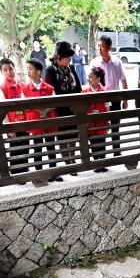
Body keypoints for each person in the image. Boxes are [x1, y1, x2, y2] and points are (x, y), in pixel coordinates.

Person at [44, 41, 82, 173]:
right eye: (67, 57)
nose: (70, 59)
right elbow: (50, 90)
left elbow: (78, 87)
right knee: (62, 136)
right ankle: (67, 163)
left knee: (73, 134)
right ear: (59, 58)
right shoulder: (50, 70)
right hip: (59, 109)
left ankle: (73, 159)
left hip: (73, 108)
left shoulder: (71, 68)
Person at [89, 35, 128, 158]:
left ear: (109, 47)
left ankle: (116, 150)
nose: (99, 49)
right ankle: (101, 154)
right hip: (100, 100)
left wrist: (125, 99)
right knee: (100, 126)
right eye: (98, 46)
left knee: (115, 125)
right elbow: (90, 81)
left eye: (102, 46)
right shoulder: (94, 62)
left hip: (115, 98)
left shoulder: (117, 62)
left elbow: (123, 80)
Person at [21, 59, 57, 178]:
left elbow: (54, 102)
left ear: (38, 72)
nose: (28, 71)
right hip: (35, 123)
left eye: (30, 69)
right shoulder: (25, 89)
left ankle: (53, 173)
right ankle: (39, 174)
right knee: (37, 148)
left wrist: (45, 111)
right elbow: (24, 105)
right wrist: (39, 111)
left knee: (51, 147)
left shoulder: (49, 88)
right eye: (27, 69)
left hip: (49, 121)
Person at [0, 58, 31, 176]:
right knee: (15, 148)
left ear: (15, 69)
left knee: (25, 146)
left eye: (11, 69)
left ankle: (24, 170)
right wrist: (9, 127)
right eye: (5, 70)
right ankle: (16, 173)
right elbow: (3, 110)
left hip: (24, 121)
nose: (9, 72)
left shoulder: (22, 85)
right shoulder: (2, 88)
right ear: (1, 72)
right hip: (12, 124)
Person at [83, 67, 110, 172]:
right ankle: (96, 164)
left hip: (101, 122)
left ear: (98, 78)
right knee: (93, 143)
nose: (89, 79)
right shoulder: (84, 91)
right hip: (89, 123)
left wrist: (107, 120)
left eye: (91, 77)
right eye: (88, 77)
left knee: (102, 142)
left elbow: (107, 107)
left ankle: (102, 163)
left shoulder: (104, 91)